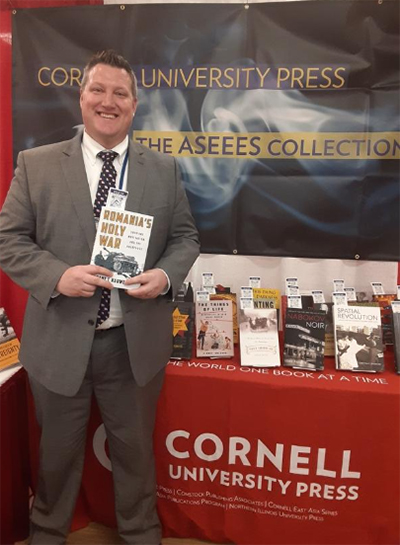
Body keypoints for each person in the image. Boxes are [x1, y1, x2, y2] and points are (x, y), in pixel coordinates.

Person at [0, 50, 199, 545]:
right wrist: (56, 275)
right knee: (57, 457)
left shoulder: (164, 169)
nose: (108, 102)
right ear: (81, 97)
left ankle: (141, 535)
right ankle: (47, 532)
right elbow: (8, 239)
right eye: (98, 90)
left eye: (120, 93)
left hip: (132, 347)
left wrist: (165, 276)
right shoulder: (37, 164)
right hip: (59, 342)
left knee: (134, 456)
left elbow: (186, 238)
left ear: (134, 105)